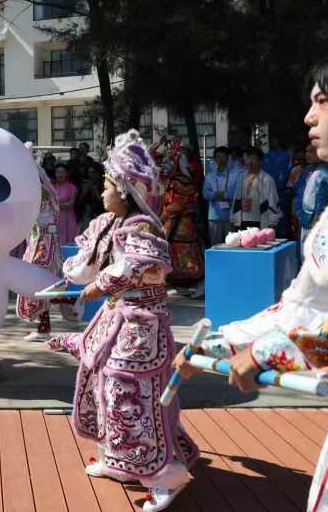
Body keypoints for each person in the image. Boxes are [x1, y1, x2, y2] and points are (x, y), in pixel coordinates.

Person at [176, 40, 328, 512]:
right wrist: (219, 346)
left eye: (323, 100)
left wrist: (275, 352)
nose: (309, 117)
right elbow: (301, 307)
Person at [49, 130, 199, 512]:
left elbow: (138, 264)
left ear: (125, 190)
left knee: (130, 393)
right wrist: (70, 275)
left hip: (141, 327)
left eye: (106, 186)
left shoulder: (143, 227)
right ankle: (118, 460)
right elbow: (86, 264)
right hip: (116, 320)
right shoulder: (111, 224)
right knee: (103, 385)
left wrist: (100, 285)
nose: (101, 193)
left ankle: (165, 475)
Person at [16, 164, 69, 341]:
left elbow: (36, 217)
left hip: (43, 242)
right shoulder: (43, 191)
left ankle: (45, 327)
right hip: (42, 240)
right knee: (39, 285)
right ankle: (43, 328)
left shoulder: (40, 192)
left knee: (38, 284)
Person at [153, 137, 204, 282]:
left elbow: (176, 206)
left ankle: (184, 276)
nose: (165, 167)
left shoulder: (181, 182)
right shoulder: (172, 181)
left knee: (181, 248)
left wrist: (160, 220)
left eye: (169, 163)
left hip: (179, 222)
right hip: (173, 220)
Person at [230, 147, 281, 229]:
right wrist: (234, 217)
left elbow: (273, 200)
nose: (250, 161)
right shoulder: (242, 177)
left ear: (260, 161)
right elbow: (237, 197)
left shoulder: (267, 179)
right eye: (248, 158)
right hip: (243, 219)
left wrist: (272, 221)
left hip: (260, 219)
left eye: (254, 158)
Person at [298, 151, 328, 245]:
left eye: (311, 151)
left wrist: (314, 230)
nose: (307, 154)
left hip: (313, 225)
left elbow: (321, 205)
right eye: (306, 151)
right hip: (306, 222)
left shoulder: (323, 175)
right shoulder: (309, 171)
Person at [202, 146, 236, 246]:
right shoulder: (210, 176)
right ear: (215, 159)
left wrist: (225, 195)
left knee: (232, 245)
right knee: (215, 245)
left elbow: (236, 193)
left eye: (224, 157)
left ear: (228, 158)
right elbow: (205, 194)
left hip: (230, 216)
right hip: (214, 216)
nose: (221, 160)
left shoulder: (234, 175)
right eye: (218, 157)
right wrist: (215, 194)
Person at [53, 163, 79, 244]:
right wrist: (62, 205)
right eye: (58, 172)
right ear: (55, 174)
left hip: (68, 218)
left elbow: (70, 205)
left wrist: (55, 205)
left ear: (66, 174)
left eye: (62, 172)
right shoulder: (51, 187)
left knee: (69, 242)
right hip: (55, 219)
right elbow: (48, 204)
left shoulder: (72, 187)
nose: (60, 174)